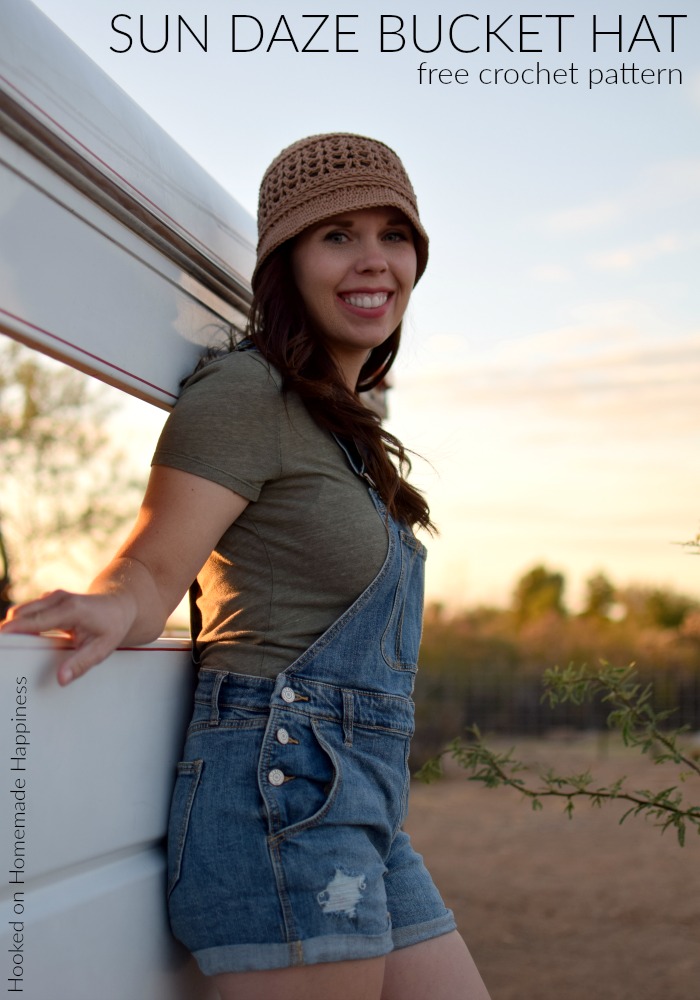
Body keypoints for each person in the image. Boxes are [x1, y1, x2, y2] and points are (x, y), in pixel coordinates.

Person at [0, 133, 491, 1000]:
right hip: (284, 798)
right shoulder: (244, 392)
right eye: (336, 235)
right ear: (286, 262)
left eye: (394, 233)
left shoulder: (342, 428)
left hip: (359, 804)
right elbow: (155, 566)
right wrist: (115, 603)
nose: (373, 260)